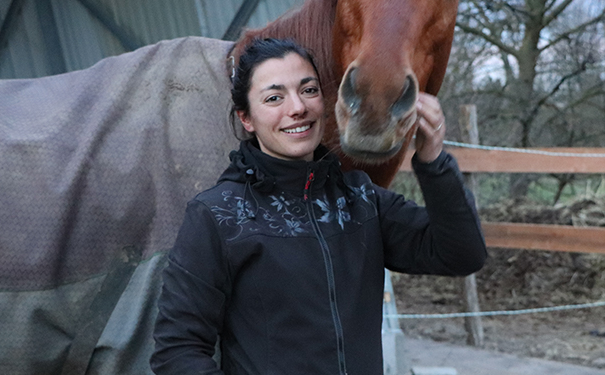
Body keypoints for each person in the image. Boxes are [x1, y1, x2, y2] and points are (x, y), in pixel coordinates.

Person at [151, 38, 486, 375]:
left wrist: (433, 161)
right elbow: (178, 350)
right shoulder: (218, 216)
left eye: (308, 90)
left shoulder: (359, 200)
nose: (297, 107)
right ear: (247, 118)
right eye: (274, 98)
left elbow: (462, 253)